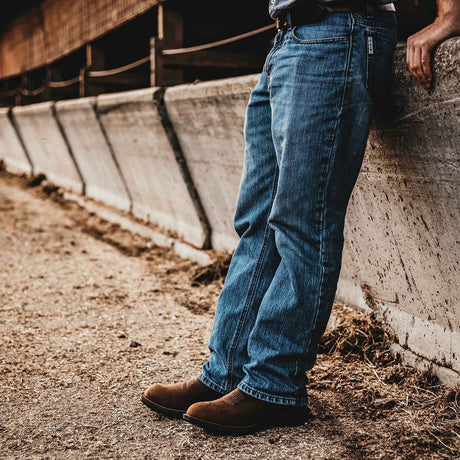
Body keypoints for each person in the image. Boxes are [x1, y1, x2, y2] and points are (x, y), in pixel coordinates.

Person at [141, 0, 460, 435]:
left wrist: (449, 17)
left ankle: (275, 385)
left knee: (302, 221)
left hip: (338, 30)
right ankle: (227, 370)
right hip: (289, 37)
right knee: (258, 220)